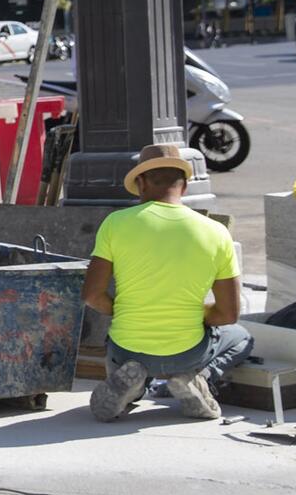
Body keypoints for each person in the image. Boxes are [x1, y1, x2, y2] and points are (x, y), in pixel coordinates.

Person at [83, 143, 251, 422]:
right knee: (242, 337)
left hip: (128, 349)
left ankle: (133, 392)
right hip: (187, 352)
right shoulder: (216, 233)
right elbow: (228, 313)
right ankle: (196, 379)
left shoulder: (116, 223)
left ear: (141, 183)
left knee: (130, 360)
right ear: (184, 186)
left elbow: (91, 295)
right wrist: (194, 313)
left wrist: (126, 310)